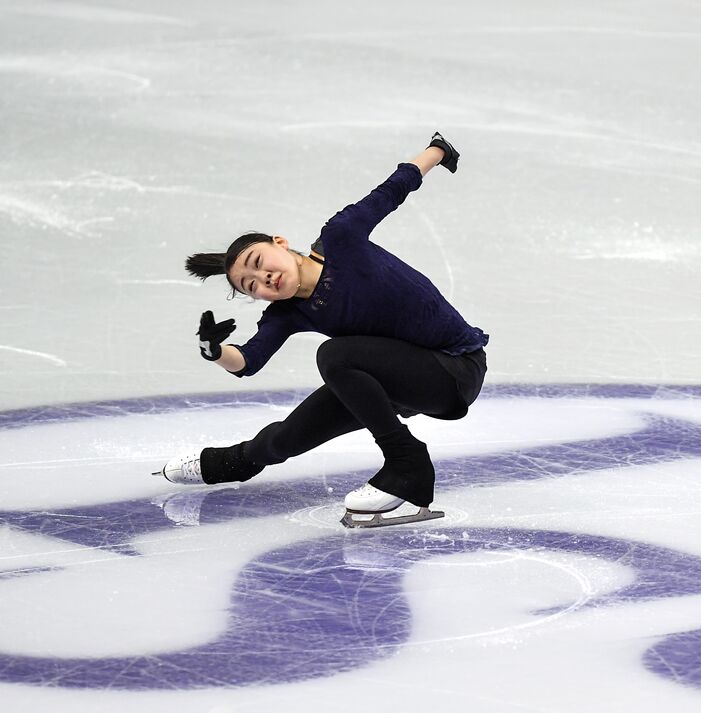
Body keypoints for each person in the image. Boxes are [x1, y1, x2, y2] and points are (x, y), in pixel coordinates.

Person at [157, 132, 488, 528]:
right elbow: (247, 361)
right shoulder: (289, 313)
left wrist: (438, 150)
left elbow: (394, 188)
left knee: (334, 355)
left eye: (260, 262)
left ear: (280, 243)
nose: (264, 278)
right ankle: (231, 463)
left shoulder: (341, 237)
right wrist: (214, 350)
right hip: (398, 382)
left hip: (455, 369)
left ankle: (406, 462)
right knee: (287, 436)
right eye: (251, 286)